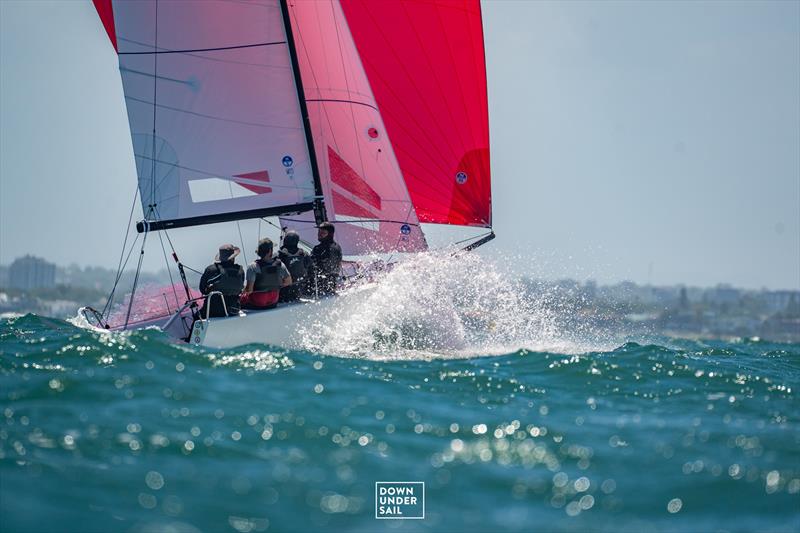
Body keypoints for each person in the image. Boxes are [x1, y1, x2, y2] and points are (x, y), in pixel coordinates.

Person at [240, 238, 291, 309]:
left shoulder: (252, 267)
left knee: (240, 299)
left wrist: (242, 291)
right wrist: (273, 284)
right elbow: (288, 282)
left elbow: (249, 290)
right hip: (273, 302)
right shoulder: (280, 265)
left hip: (256, 303)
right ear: (270, 251)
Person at [199, 244, 244, 317]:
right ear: (233, 258)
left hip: (212, 310)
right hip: (234, 309)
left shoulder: (210, 269)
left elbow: (202, 289)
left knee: (196, 316)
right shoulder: (240, 271)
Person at [308, 221, 342, 296]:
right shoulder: (337, 247)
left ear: (330, 234)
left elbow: (312, 266)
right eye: (319, 231)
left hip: (319, 289)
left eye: (323, 232)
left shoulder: (318, 248)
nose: (319, 234)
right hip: (332, 286)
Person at [278, 230, 311, 302]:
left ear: (285, 240)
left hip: (284, 293)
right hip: (299, 290)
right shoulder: (304, 254)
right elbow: (310, 267)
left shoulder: (280, 255)